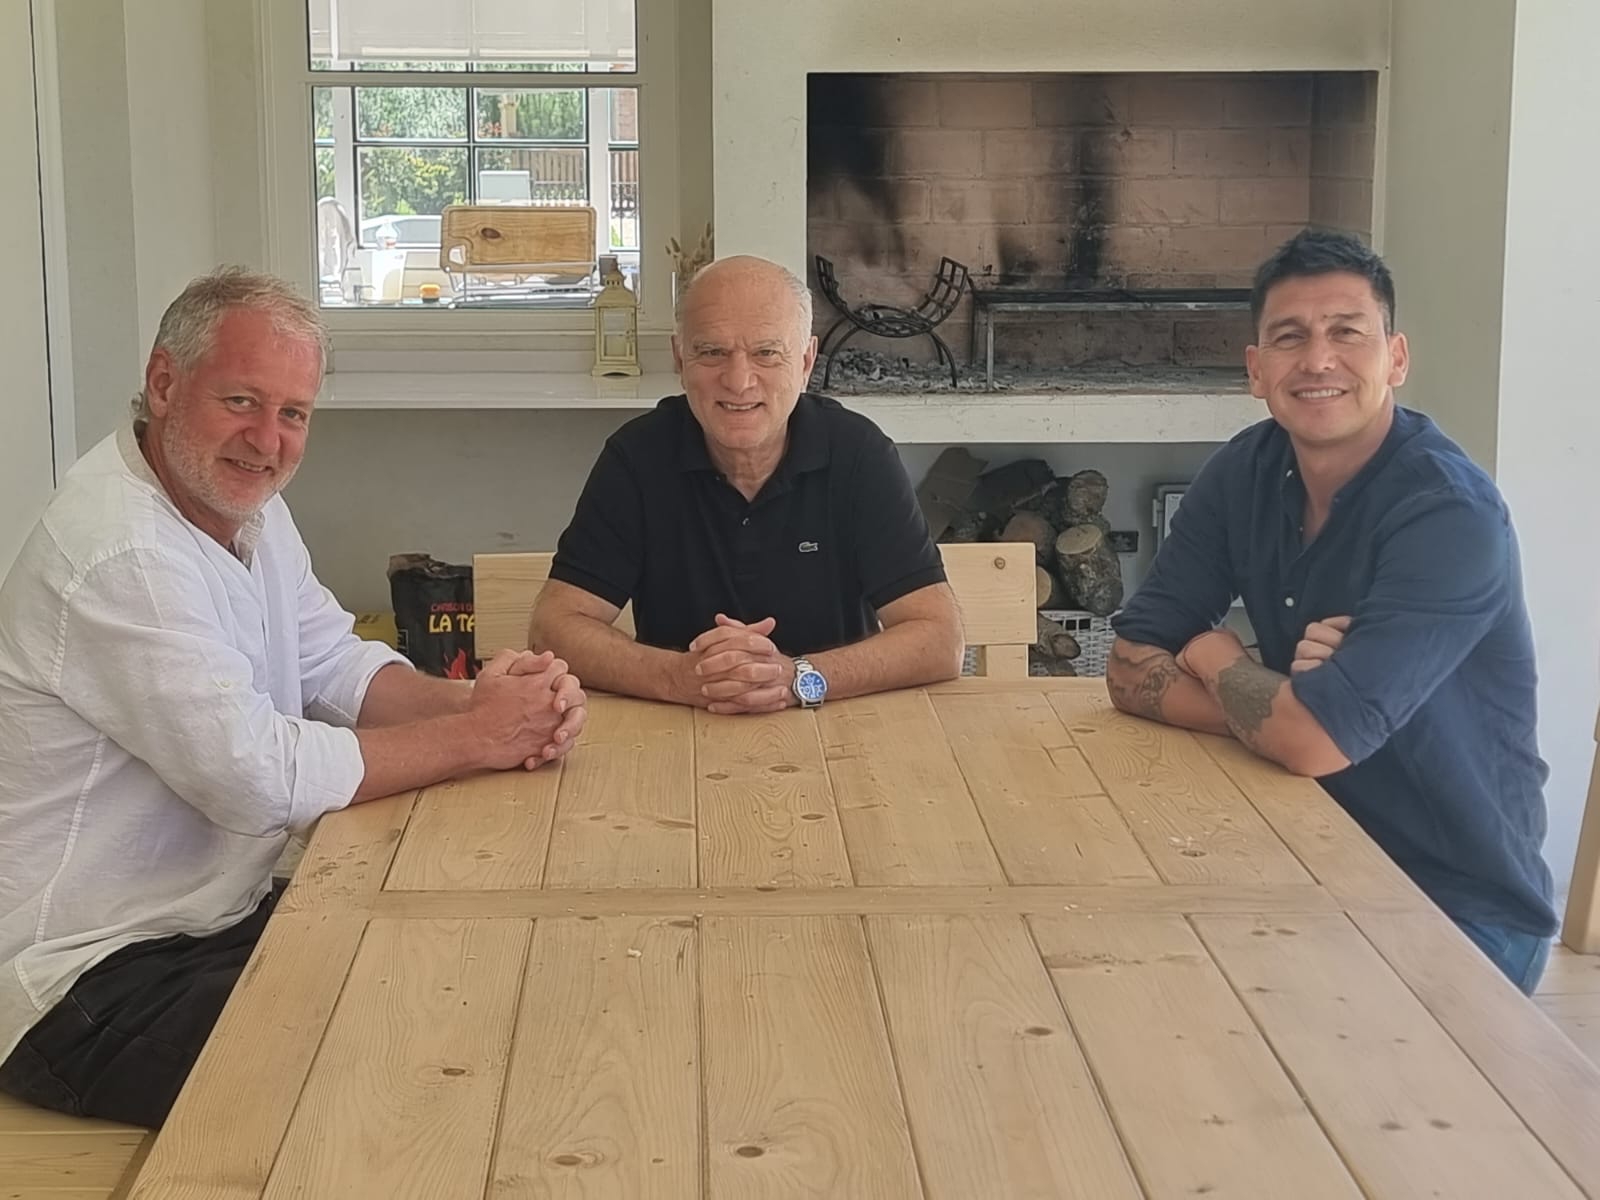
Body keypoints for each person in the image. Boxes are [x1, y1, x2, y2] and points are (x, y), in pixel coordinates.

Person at [0, 268, 588, 1127]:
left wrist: (482, 704)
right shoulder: (122, 552)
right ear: (164, 383)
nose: (267, 440)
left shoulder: (242, 504)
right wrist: (482, 738)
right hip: (85, 980)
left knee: (470, 972)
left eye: (293, 413)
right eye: (241, 401)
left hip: (218, 916)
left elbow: (333, 664)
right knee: (411, 1056)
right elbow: (257, 779)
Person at [1106, 229, 1555, 993]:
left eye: (1347, 332)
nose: (1318, 360)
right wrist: (1279, 706)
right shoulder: (1244, 471)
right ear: (1256, 370)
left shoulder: (1448, 513)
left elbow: (1312, 741)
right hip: (1298, 849)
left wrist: (1220, 660)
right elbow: (1126, 667)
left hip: (1456, 904)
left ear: (1396, 359)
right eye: (1290, 337)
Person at [532, 255, 963, 713]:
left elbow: (940, 639)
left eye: (766, 353)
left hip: (839, 723)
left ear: (806, 361)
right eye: (712, 352)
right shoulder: (638, 457)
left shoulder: (858, 454)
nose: (738, 382)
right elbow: (552, 628)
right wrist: (681, 678)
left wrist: (797, 678)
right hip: (677, 726)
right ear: (680, 358)